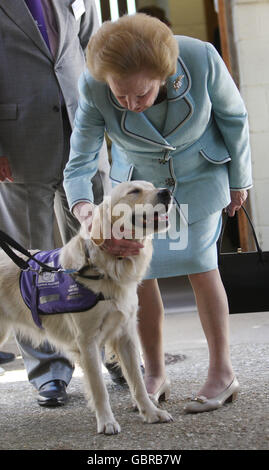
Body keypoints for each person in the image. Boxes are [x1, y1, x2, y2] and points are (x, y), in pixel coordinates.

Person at [63, 13, 252, 413]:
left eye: (142, 95)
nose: (131, 106)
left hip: (199, 179)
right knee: (140, 278)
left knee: (202, 266)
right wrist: (84, 209)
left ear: (163, 75)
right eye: (121, 96)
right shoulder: (95, 84)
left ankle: (222, 370)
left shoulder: (201, 59)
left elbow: (234, 120)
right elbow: (81, 157)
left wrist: (240, 181)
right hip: (137, 193)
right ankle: (153, 371)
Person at [0, 0, 111, 406]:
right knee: (27, 263)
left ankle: (109, 350)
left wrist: (108, 117)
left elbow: (95, 49)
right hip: (18, 139)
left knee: (98, 247)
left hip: (81, 132)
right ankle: (48, 371)